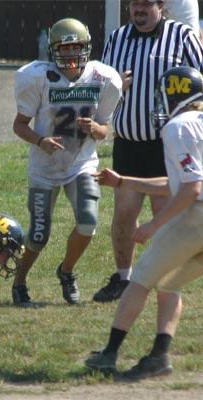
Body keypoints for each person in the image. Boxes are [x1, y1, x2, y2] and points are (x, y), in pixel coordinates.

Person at [85, 66, 203, 380]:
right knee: (169, 283)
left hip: (197, 219)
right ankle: (159, 357)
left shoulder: (179, 126)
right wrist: (124, 181)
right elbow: (178, 183)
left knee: (139, 281)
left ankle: (109, 354)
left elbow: (192, 189)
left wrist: (154, 224)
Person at [94, 0, 203, 303]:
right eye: (134, 4)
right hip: (128, 141)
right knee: (124, 213)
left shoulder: (181, 35)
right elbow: (102, 84)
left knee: (164, 212)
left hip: (165, 143)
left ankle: (163, 280)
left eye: (145, 3)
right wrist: (115, 88)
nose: (138, 9)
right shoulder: (117, 38)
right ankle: (123, 277)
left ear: (160, 5)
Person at [11, 18, 122, 306]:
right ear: (54, 50)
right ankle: (19, 281)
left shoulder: (104, 78)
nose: (71, 54)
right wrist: (40, 140)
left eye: (76, 47)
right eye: (65, 48)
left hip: (80, 163)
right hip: (44, 167)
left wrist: (94, 128)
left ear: (86, 48)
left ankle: (67, 271)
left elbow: (104, 130)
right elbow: (19, 125)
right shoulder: (37, 76)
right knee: (38, 235)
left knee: (88, 221)